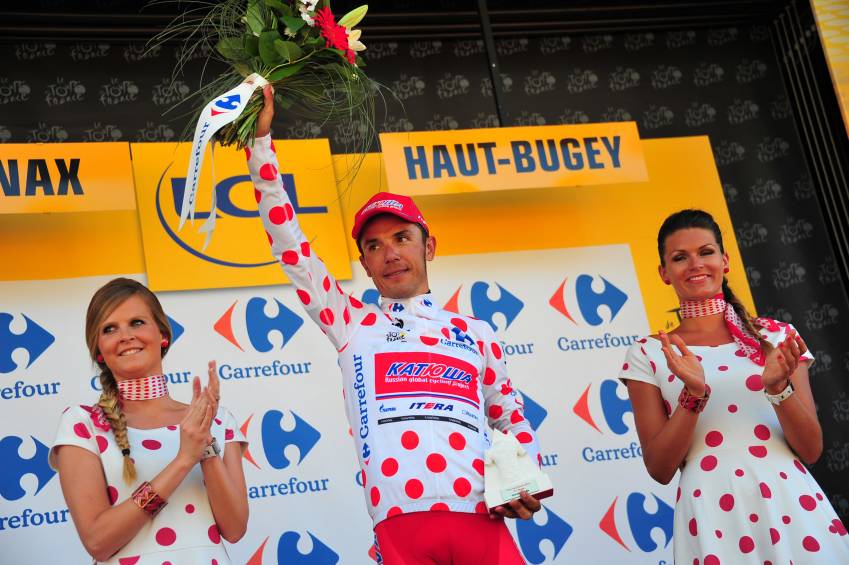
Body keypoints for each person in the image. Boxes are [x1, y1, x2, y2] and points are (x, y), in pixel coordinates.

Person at [246, 85, 542, 564]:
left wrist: (526, 480)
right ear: (364, 264)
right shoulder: (351, 323)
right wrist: (260, 147)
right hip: (400, 523)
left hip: (481, 519)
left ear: (429, 247)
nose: (390, 253)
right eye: (374, 246)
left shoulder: (476, 333)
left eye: (402, 238)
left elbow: (510, 416)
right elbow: (290, 247)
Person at [620, 209, 849, 563]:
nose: (695, 264)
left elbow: (812, 448)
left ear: (725, 261)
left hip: (788, 501)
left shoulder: (776, 336)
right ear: (664, 273)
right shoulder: (649, 353)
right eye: (680, 257)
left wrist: (777, 389)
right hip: (711, 510)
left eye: (706, 252)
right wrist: (693, 395)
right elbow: (660, 468)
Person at [50, 278, 249, 565]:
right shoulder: (82, 424)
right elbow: (98, 542)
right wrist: (183, 460)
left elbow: (234, 529)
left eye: (137, 322)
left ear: (163, 335)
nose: (126, 335)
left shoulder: (218, 420)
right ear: (98, 350)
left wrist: (204, 445)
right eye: (109, 329)